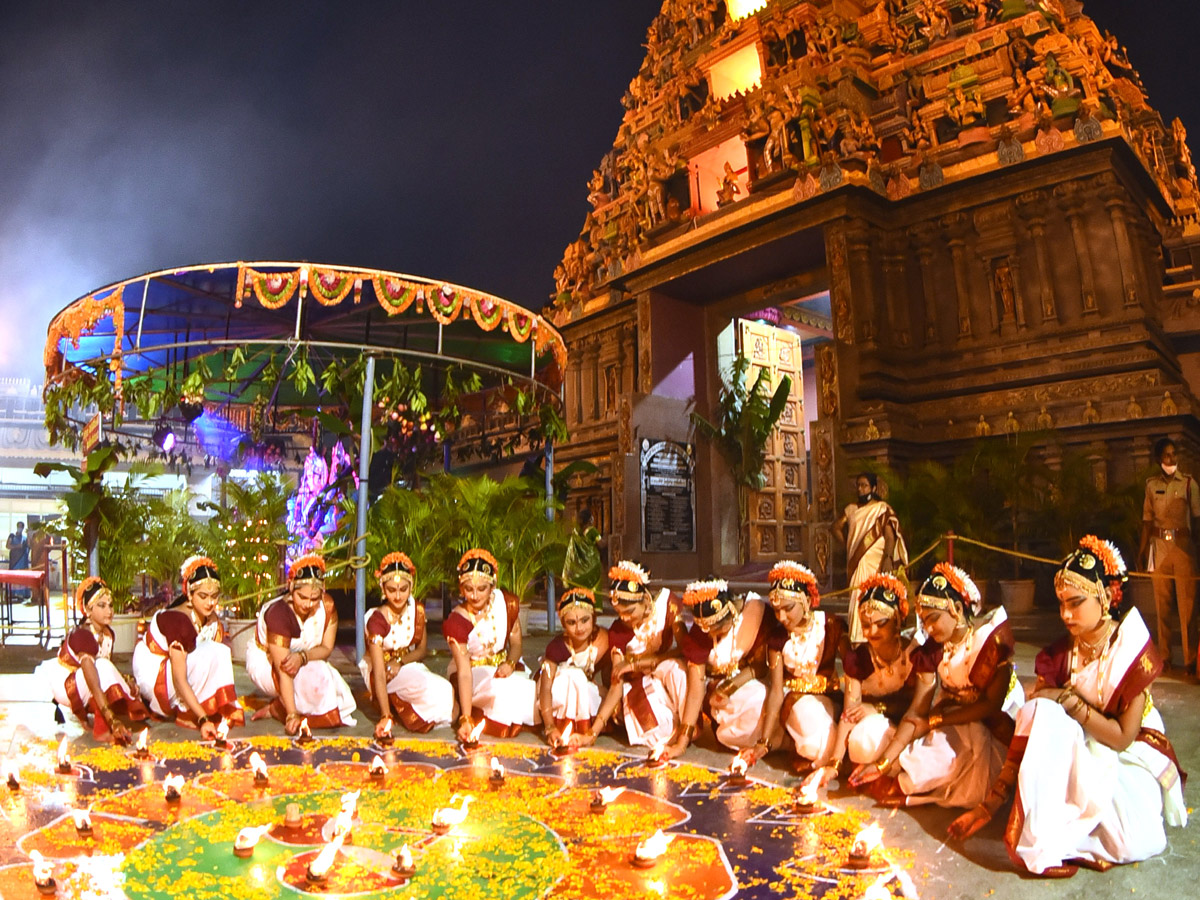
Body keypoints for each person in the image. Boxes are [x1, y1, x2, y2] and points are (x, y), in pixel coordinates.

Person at [949, 537, 1188, 876]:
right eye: (1061, 603)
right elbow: (1032, 728)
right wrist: (988, 806)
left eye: (1075, 603)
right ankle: (1042, 848)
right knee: (1038, 711)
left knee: (1132, 841)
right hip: (1085, 748)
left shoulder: (1130, 651)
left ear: (1105, 598)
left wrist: (1069, 701)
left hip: (1130, 753)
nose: (1065, 614)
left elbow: (1121, 738)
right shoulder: (1059, 656)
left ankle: (1065, 830)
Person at [849, 563, 1022, 809]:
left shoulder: (988, 642)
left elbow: (990, 706)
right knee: (928, 753)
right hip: (950, 716)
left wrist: (937, 721)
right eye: (924, 621)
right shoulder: (933, 649)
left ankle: (905, 786)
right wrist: (883, 763)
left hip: (995, 722)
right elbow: (917, 712)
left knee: (948, 758)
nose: (928, 629)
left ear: (957, 609)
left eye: (933, 619)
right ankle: (901, 780)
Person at [133, 557, 243, 739]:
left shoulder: (211, 620)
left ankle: (206, 705)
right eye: (203, 596)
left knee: (219, 650)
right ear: (189, 595)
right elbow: (179, 678)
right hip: (157, 678)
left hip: (177, 671)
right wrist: (202, 719)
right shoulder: (178, 620)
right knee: (213, 650)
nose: (210, 603)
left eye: (214, 596)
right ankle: (189, 713)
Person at [246, 553, 357, 732]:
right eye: (302, 597)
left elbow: (326, 648)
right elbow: (284, 669)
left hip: (303, 659)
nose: (308, 604)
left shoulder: (327, 606)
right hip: (269, 664)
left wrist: (302, 657)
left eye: (314, 598)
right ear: (291, 589)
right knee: (313, 677)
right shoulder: (278, 614)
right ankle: (282, 708)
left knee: (324, 679)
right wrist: (291, 715)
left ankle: (277, 708)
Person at [583, 560, 687, 750]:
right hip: (638, 684)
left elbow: (685, 649)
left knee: (676, 668)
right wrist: (592, 733)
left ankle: (689, 727)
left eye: (629, 612)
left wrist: (642, 662)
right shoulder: (618, 631)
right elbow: (617, 681)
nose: (624, 618)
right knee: (660, 733)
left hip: (663, 672)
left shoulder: (667, 605)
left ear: (646, 600)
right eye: (619, 613)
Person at [756, 561, 844, 777]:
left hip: (830, 699)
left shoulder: (831, 626)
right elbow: (777, 691)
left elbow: (853, 670)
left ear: (806, 600)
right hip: (794, 703)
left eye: (788, 609)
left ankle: (828, 757)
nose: (782, 618)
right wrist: (763, 742)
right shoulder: (777, 639)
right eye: (776, 611)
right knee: (808, 720)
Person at [35, 577, 148, 742]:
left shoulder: (108, 634)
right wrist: (111, 718)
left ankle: (110, 719)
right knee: (102, 667)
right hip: (67, 685)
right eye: (101, 606)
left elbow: (106, 671)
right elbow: (95, 679)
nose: (108, 611)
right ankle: (102, 730)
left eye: (110, 605)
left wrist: (126, 680)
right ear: (88, 610)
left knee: (126, 686)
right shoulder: (83, 635)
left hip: (88, 680)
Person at [671, 579, 773, 759]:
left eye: (718, 630)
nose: (711, 635)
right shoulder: (701, 631)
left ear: (733, 613)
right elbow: (696, 689)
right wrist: (681, 743)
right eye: (707, 631)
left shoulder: (755, 613)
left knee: (759, 696)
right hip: (714, 698)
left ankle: (769, 743)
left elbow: (760, 667)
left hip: (748, 683)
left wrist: (730, 686)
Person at [832, 573, 920, 777]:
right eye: (865, 625)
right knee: (864, 738)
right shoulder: (858, 659)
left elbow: (921, 710)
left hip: (911, 734)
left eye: (880, 624)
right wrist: (833, 764)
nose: (872, 631)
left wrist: (876, 708)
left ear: (897, 621)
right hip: (876, 736)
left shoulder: (916, 656)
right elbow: (849, 715)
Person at [444, 548, 537, 740]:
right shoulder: (457, 620)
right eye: (469, 589)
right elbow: (463, 672)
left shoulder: (506, 604)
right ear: (462, 588)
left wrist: (510, 664)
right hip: (471, 673)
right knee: (499, 690)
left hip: (504, 667)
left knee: (528, 690)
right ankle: (474, 711)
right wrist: (466, 718)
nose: (475, 596)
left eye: (481, 589)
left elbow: (516, 645)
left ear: (492, 585)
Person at [357, 552, 453, 738]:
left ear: (411, 587)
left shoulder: (416, 611)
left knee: (445, 691)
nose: (398, 595)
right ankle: (391, 706)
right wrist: (385, 716)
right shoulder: (376, 619)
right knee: (427, 687)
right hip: (380, 673)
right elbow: (378, 670)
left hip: (406, 666)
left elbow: (421, 650)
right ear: (383, 590)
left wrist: (399, 661)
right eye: (392, 590)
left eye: (403, 589)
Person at [1138, 437, 1200, 677]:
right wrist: (1143, 551)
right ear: (1158, 460)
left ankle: (1191, 660)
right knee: (1161, 606)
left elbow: (1197, 518)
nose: (1171, 459)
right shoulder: (1151, 486)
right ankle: (1165, 657)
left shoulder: (1188, 484)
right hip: (1158, 547)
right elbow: (1146, 521)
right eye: (1167, 455)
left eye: (1174, 455)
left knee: (1188, 607)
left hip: (1183, 546)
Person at [834, 473, 908, 644]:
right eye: (859, 485)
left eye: (865, 485)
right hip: (858, 564)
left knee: (876, 603)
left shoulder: (882, 509)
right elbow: (835, 527)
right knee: (856, 603)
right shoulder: (852, 509)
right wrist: (849, 545)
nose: (861, 489)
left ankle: (876, 641)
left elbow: (890, 537)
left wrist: (888, 558)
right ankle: (857, 642)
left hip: (876, 564)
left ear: (874, 488)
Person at [537, 587, 609, 749]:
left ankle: (586, 726)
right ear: (563, 624)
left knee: (594, 690)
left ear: (594, 618)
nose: (580, 628)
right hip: (557, 695)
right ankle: (566, 722)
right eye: (572, 623)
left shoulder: (603, 640)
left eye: (585, 620)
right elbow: (546, 688)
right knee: (573, 675)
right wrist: (549, 727)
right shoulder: (556, 647)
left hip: (585, 691)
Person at [562, 507, 603, 593]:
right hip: (592, 568)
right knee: (593, 592)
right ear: (590, 519)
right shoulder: (592, 531)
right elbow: (601, 544)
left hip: (578, 571)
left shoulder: (576, 533)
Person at [6, 520, 30, 599]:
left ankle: (22, 593)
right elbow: (8, 546)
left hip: (22, 561)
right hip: (14, 560)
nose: (20, 528)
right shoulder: (12, 536)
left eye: (21, 527)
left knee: (22, 576)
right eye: (18, 526)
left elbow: (28, 547)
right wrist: (17, 546)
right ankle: (12, 593)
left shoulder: (25, 538)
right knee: (14, 576)